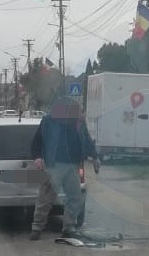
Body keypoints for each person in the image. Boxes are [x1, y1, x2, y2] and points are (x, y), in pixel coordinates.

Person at [29, 97, 100, 240]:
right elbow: (37, 140)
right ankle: (37, 228)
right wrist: (37, 157)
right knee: (46, 198)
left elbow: (86, 139)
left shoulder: (79, 122)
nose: (82, 114)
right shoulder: (49, 121)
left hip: (74, 165)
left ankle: (68, 228)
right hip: (54, 165)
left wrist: (95, 157)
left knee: (75, 197)